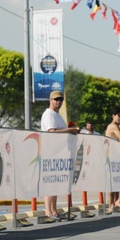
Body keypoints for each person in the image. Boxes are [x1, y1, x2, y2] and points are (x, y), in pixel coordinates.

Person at [40, 91, 79, 222]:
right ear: (50, 100)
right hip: (50, 152)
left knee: (55, 183)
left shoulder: (57, 115)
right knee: (50, 182)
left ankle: (54, 210)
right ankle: (48, 211)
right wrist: (70, 130)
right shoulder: (49, 114)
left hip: (59, 153)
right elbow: (52, 132)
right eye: (56, 99)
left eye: (61, 99)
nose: (59, 102)